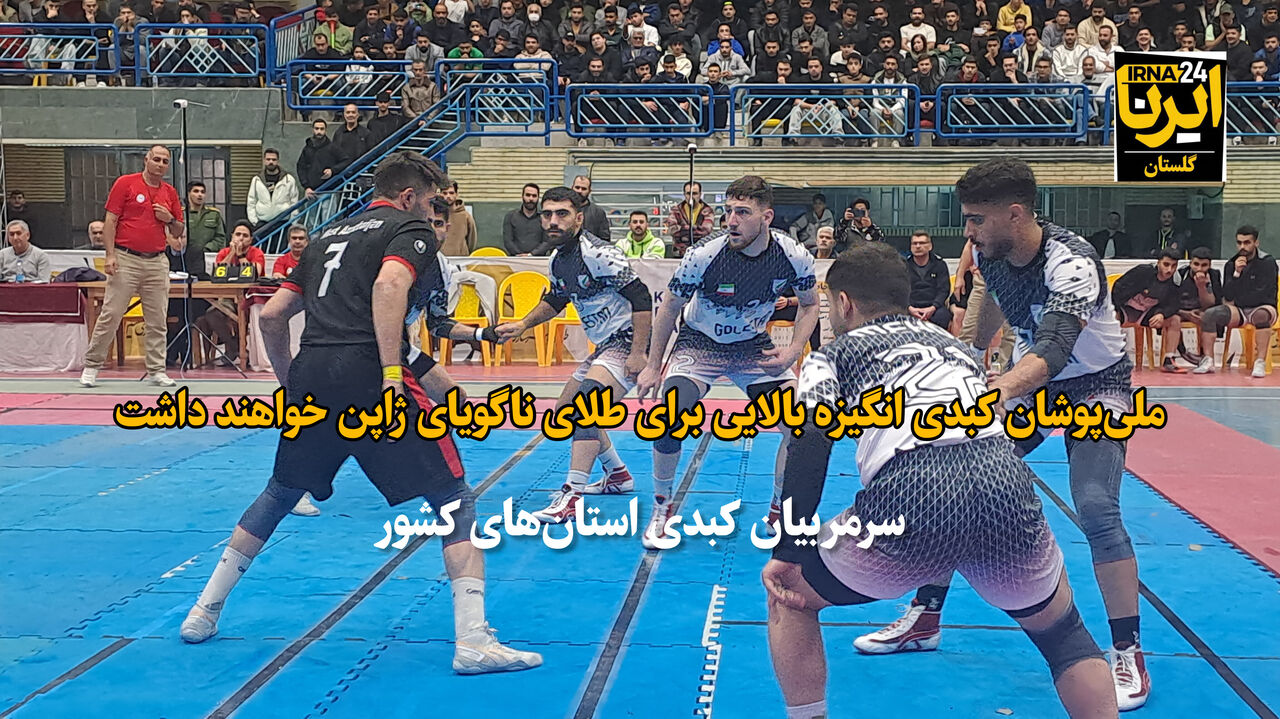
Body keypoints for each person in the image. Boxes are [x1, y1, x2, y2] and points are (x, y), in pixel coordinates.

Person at [179, 152, 542, 675]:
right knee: (454, 500)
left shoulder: (325, 234)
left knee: (280, 492)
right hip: (371, 373)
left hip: (313, 372)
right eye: (431, 203)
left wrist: (291, 382)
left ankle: (203, 610)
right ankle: (473, 641)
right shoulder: (409, 230)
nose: (434, 214)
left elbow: (273, 316)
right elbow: (389, 286)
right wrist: (390, 373)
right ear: (410, 197)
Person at [762, 243, 1117, 719]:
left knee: (790, 596)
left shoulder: (833, 355)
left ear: (843, 303)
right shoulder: (957, 349)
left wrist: (790, 546)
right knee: (1064, 635)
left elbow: (809, 436)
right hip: (1005, 485)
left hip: (910, 494)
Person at [853, 158, 1149, 711]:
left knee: (1096, 507)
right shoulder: (992, 253)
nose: (967, 231)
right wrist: (964, 359)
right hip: (1034, 383)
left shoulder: (1072, 262)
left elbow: (1054, 349)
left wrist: (997, 391)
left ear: (1015, 214)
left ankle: (1128, 651)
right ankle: (926, 616)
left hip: (1095, 385)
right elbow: (989, 308)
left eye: (975, 219)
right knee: (950, 480)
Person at [636, 175, 818, 548]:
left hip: (752, 347)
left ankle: (779, 508)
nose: (731, 221)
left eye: (742, 212)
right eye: (728, 211)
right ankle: (662, 508)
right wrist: (653, 365)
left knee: (801, 426)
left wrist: (793, 350)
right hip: (700, 344)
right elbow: (669, 306)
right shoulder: (703, 255)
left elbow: (811, 304)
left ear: (767, 217)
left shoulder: (793, 255)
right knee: (668, 418)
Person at [496, 186, 652, 522]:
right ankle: (617, 474)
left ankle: (571, 496)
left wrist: (640, 353)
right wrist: (522, 324)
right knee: (566, 412)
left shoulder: (599, 254)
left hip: (629, 341)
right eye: (547, 214)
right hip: (605, 345)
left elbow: (642, 298)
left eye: (562, 214)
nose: (553, 221)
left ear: (579, 218)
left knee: (586, 408)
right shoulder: (557, 260)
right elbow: (556, 300)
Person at [81, 145, 185, 389]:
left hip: (157, 260)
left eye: (165, 161)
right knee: (111, 313)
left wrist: (169, 218)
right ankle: (92, 365)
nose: (160, 164)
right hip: (125, 257)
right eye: (156, 159)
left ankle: (157, 369)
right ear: (146, 160)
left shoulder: (169, 192)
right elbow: (110, 221)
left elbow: (179, 230)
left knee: (157, 319)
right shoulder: (126, 183)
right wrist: (109, 255)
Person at [1194, 225, 1278, 377]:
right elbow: (1228, 295)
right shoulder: (1231, 264)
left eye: (1247, 242)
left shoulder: (1267, 262)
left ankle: (1260, 362)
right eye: (1239, 243)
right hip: (1239, 310)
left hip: (1263, 308)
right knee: (1210, 314)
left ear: (1256, 243)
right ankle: (1208, 360)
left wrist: (1239, 299)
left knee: (1261, 315)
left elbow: (1265, 293)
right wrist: (1237, 273)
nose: (1242, 247)